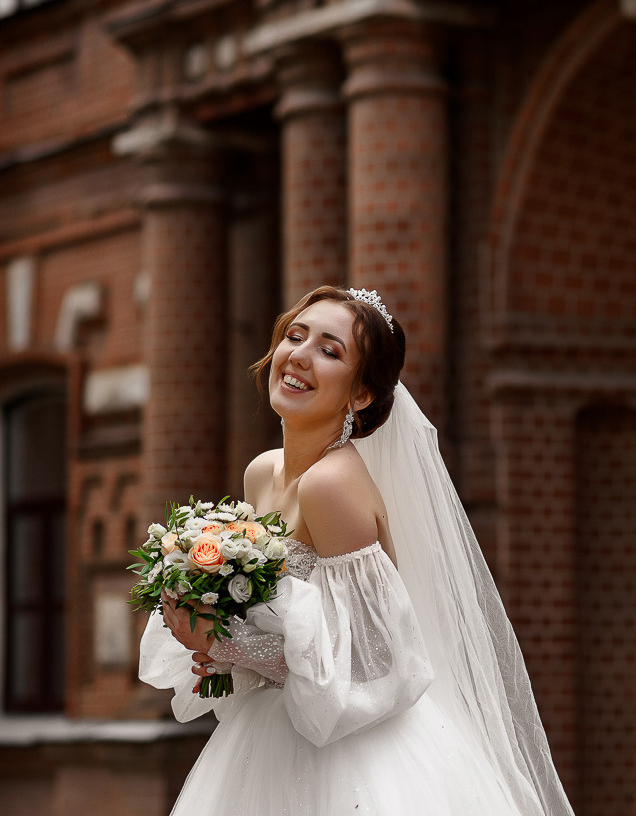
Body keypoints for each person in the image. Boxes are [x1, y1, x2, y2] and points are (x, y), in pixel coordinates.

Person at [138, 285, 574, 815]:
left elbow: (374, 661)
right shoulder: (263, 471)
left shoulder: (332, 485)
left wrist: (233, 647)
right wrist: (219, 631)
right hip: (273, 733)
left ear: (361, 394)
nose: (299, 354)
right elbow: (294, 628)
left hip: (354, 759)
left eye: (330, 349)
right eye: (295, 336)